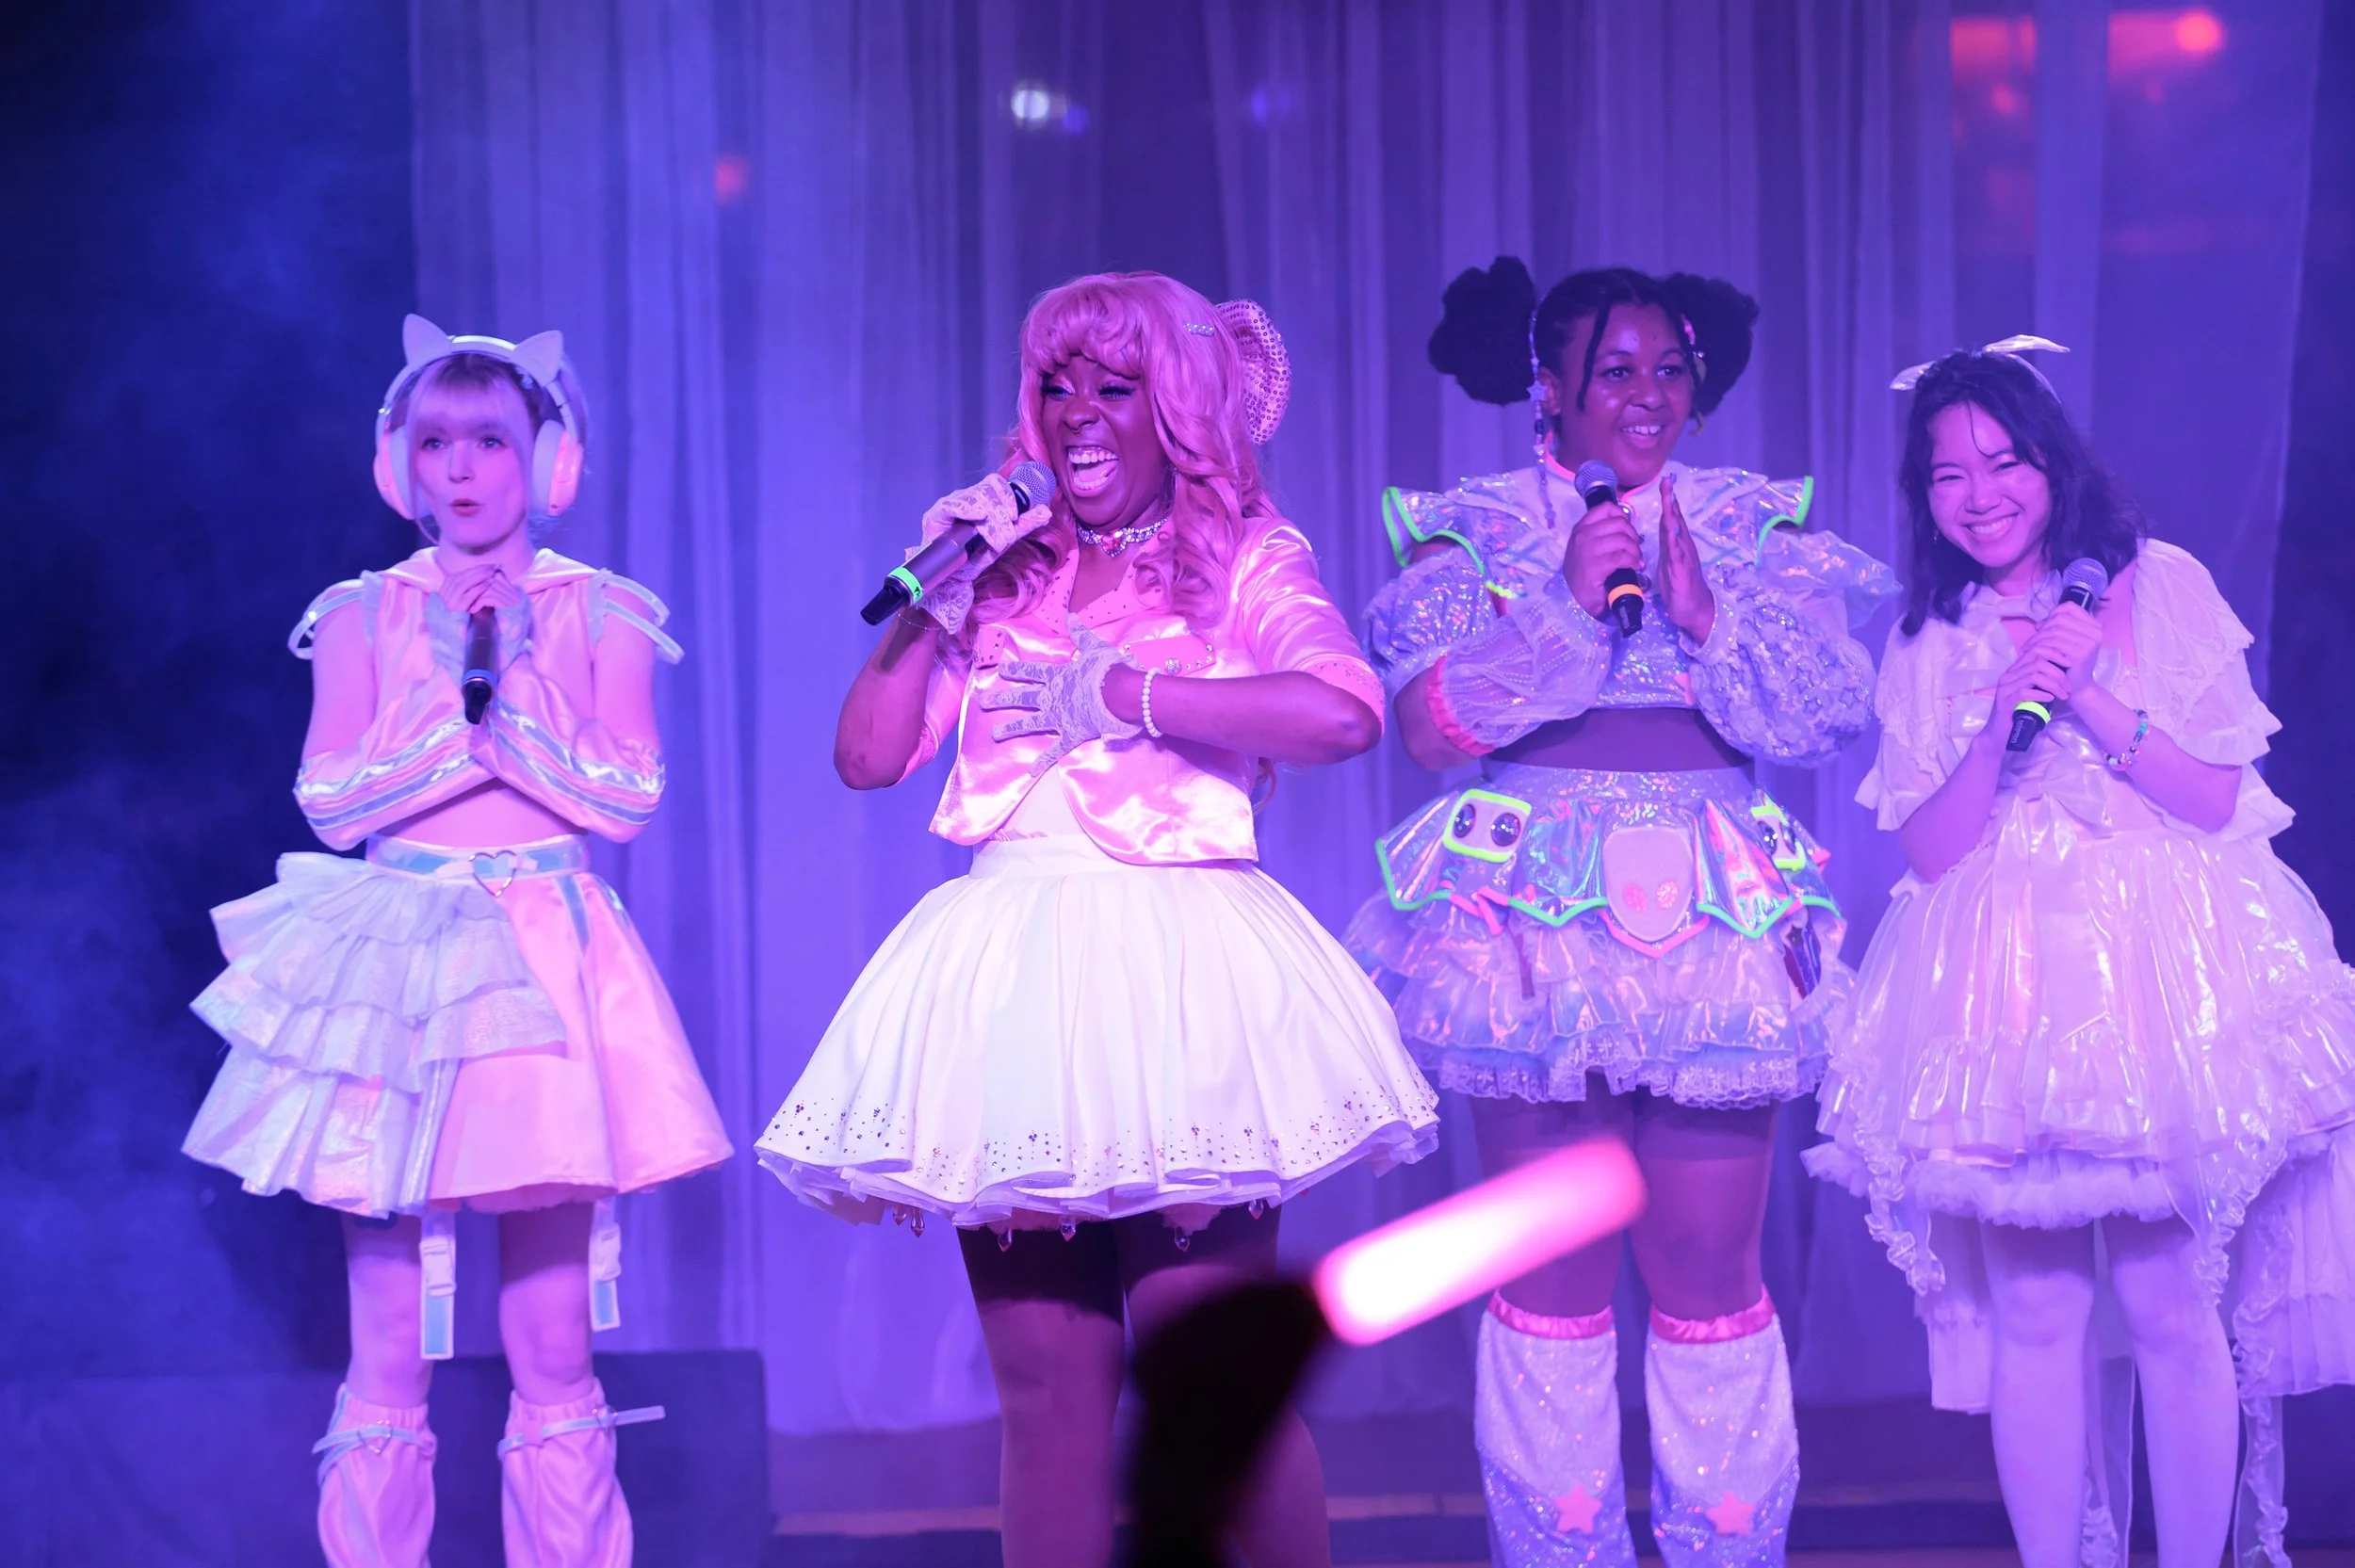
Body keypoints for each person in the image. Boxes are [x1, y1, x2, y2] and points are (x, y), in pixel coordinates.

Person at [755, 272, 1437, 1568]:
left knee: (1214, 1391)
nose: (1075, 412)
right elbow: (864, 755)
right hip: (1016, 982)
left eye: (1112, 387)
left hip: (1179, 976)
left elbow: (1341, 713)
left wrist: (1131, 692)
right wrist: (933, 597)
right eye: (1056, 384)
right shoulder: (999, 565)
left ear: (1172, 406)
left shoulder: (1242, 551)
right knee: (1047, 1399)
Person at [1349, 259, 1893, 1566]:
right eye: (1615, 371)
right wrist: (1559, 611)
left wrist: (1703, 614)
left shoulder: (1753, 525)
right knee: (1551, 1281)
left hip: (1713, 909)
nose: (1647, 397)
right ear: (1550, 389)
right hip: (1531, 920)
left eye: (1668, 371)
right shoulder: (1475, 526)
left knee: (1710, 1277)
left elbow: (1823, 714)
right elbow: (1429, 729)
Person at [185, 316, 732, 1568]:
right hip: (398, 962)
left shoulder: (604, 616)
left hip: (544, 955)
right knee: (384, 1334)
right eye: (436, 443)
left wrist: (519, 695)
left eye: (492, 438)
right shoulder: (359, 617)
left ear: (549, 457)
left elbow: (628, 800)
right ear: (401, 466)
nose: (465, 468)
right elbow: (331, 801)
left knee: (552, 1343)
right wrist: (452, 705)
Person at [1808, 343, 2355, 1568]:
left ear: (2054, 464)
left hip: (2155, 968)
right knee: (2038, 1312)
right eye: (1948, 473)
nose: (1980, 491)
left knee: (2170, 1299)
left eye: (2003, 460)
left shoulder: (2159, 583)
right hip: (2001, 985)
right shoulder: (1926, 633)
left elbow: (2213, 797)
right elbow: (1937, 848)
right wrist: (2003, 711)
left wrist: (2093, 691)